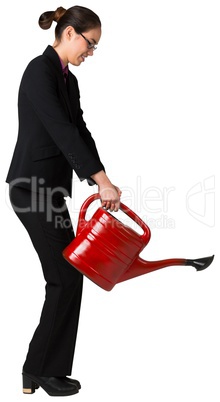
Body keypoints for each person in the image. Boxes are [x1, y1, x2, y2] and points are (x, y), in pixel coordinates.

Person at [6, 5, 121, 397]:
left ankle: (37, 370)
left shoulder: (67, 82)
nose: (91, 52)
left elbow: (80, 130)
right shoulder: (39, 72)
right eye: (90, 43)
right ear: (69, 33)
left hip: (51, 190)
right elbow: (59, 131)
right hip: (31, 188)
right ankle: (40, 370)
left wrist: (101, 179)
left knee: (68, 275)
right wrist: (101, 180)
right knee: (65, 276)